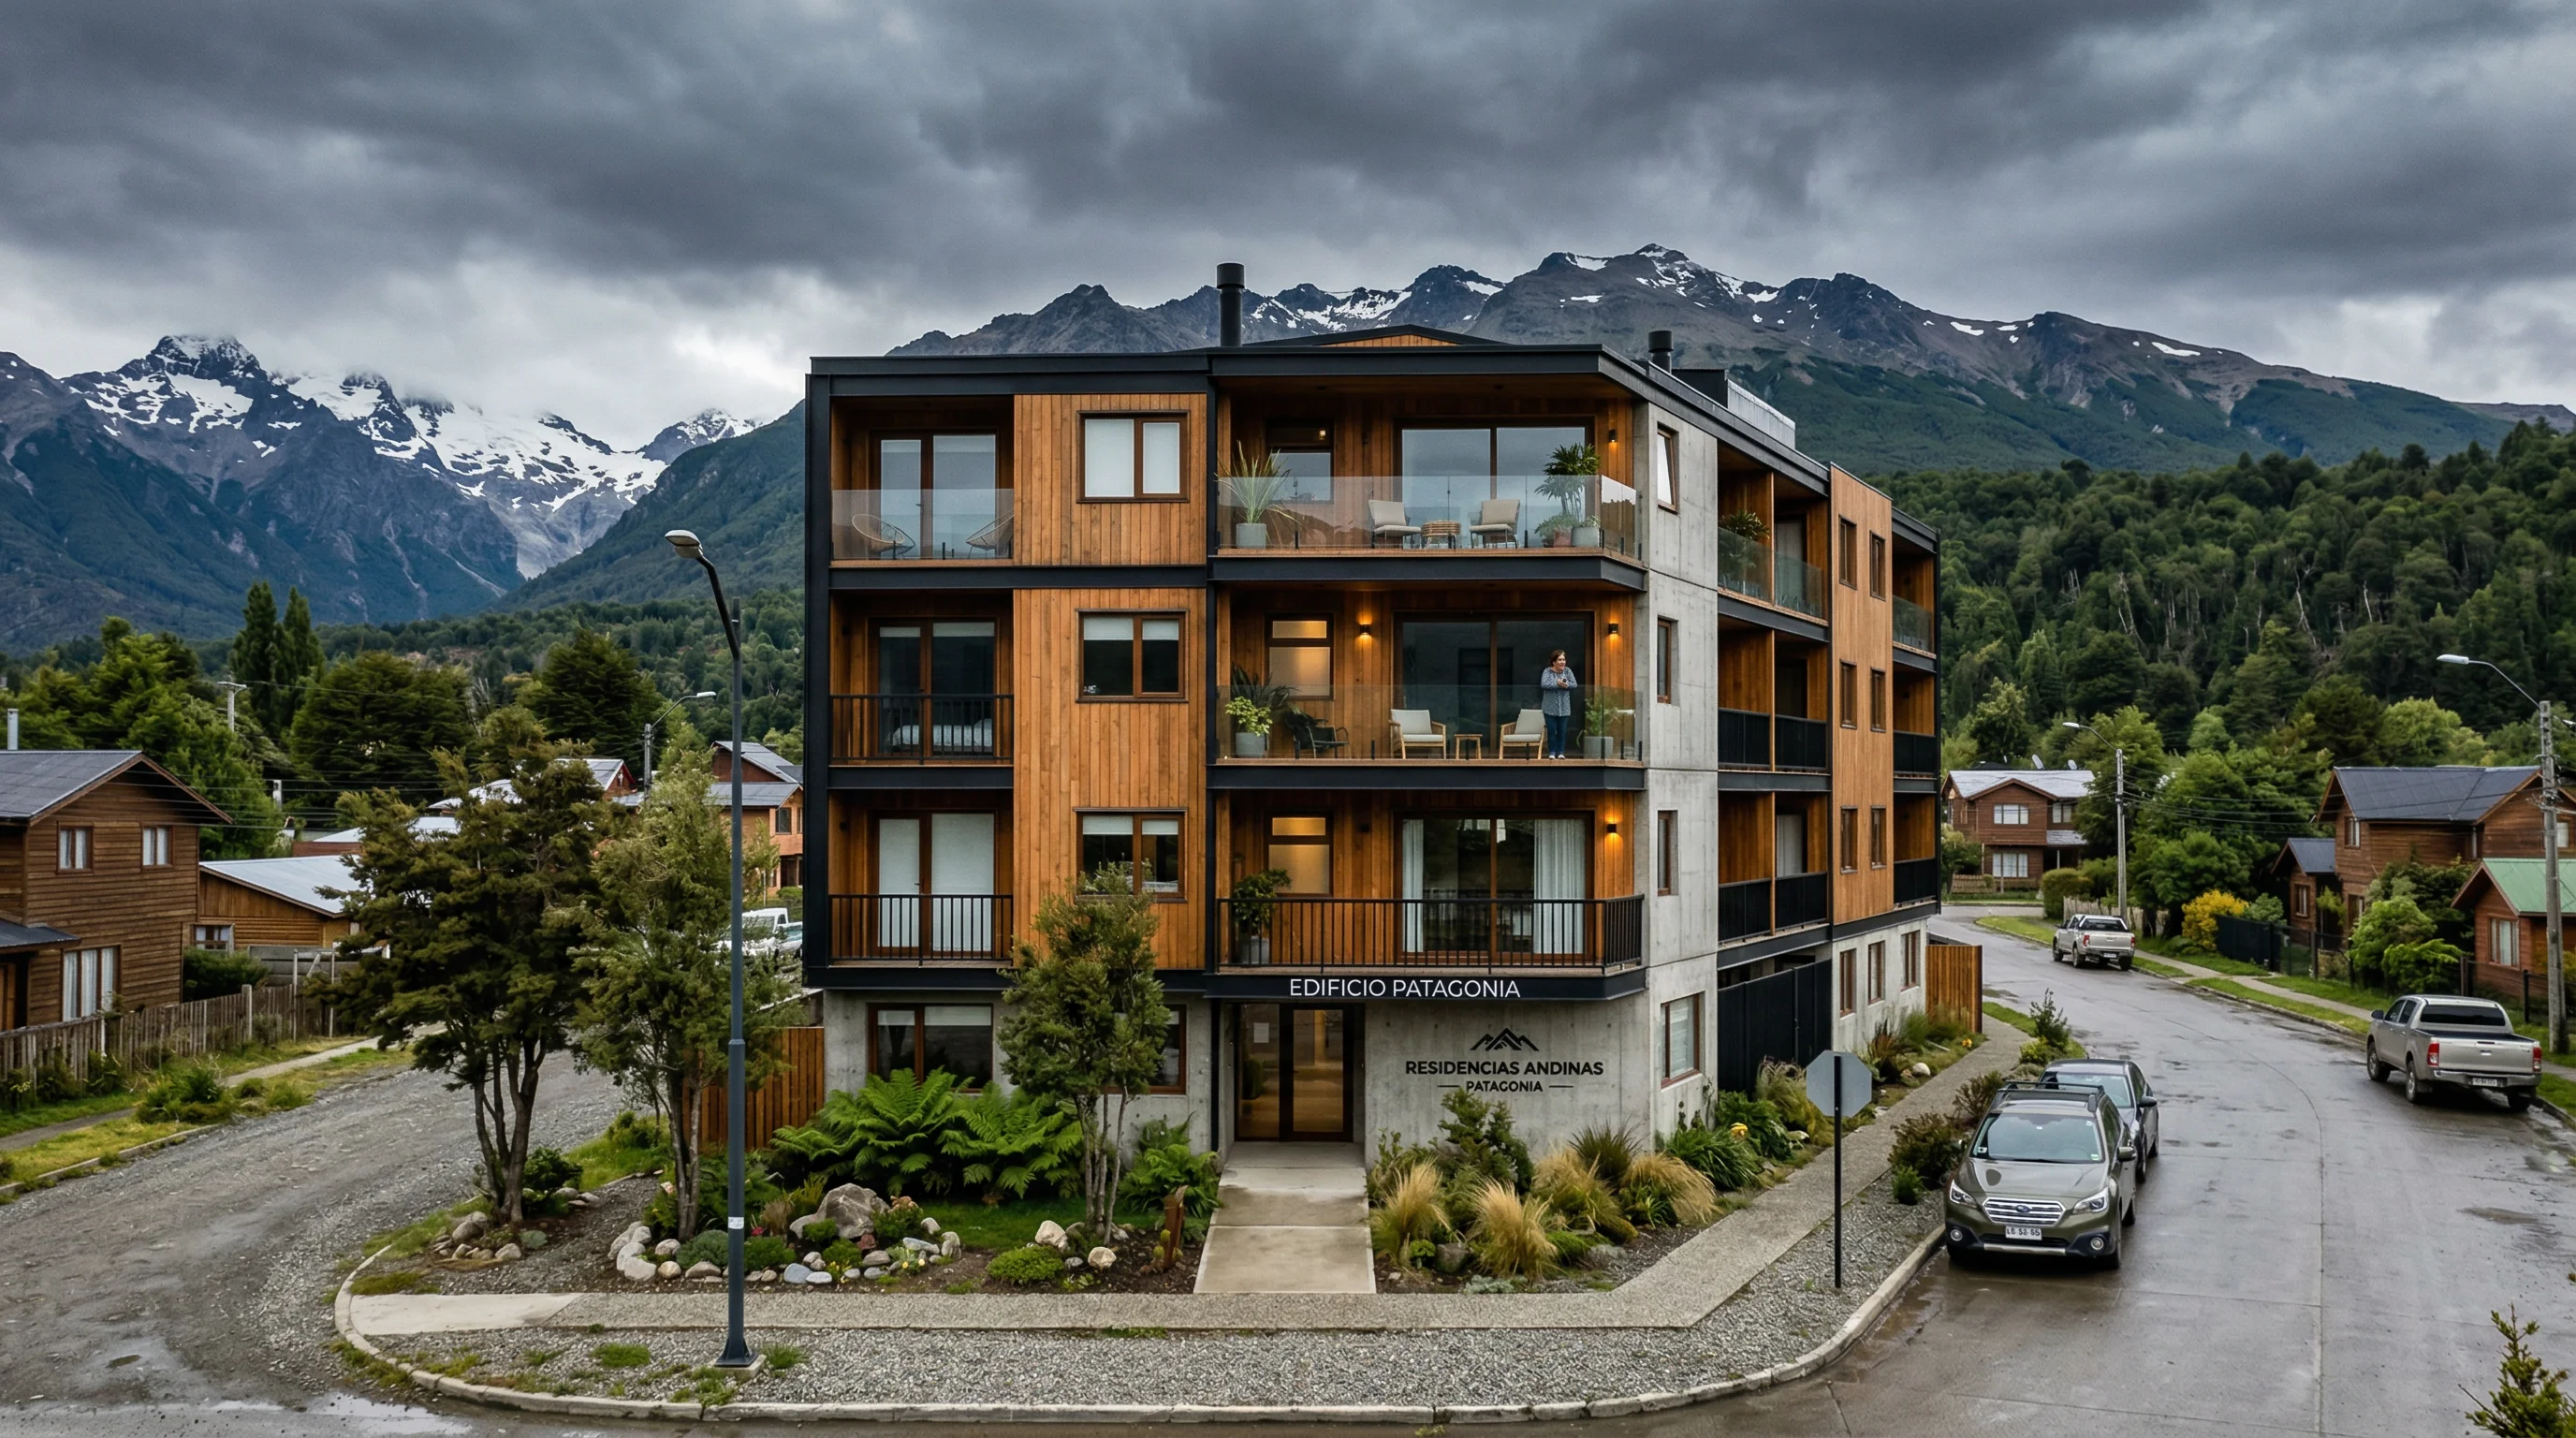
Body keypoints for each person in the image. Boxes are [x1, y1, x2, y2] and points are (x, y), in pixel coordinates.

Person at [1539, 650, 1578, 758]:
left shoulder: (1568, 671)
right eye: (1560, 660)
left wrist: (1566, 685)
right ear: (1553, 662)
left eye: (1564, 660)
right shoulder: (1547, 671)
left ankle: (1560, 752)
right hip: (1549, 707)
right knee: (1551, 731)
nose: (1562, 662)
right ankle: (1552, 752)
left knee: (1562, 731)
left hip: (1564, 707)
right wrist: (1557, 683)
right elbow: (1544, 684)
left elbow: (1574, 684)